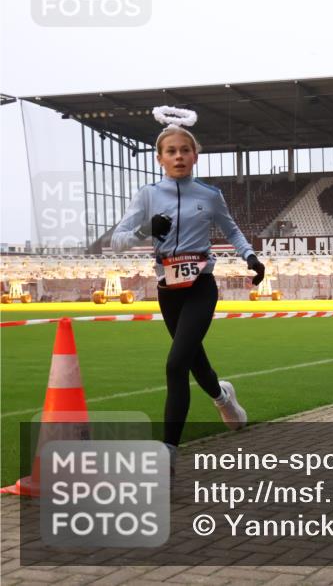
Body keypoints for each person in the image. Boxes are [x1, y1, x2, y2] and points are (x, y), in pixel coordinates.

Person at [111, 106, 265, 467]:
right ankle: (223, 396)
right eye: (171, 151)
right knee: (195, 361)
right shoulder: (148, 194)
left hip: (201, 285)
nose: (178, 156)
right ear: (160, 158)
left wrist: (251, 257)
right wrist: (147, 229)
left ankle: (168, 452)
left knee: (175, 364)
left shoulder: (209, 194)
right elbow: (119, 240)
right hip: (168, 291)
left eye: (185, 150)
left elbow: (231, 229)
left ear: (196, 155)